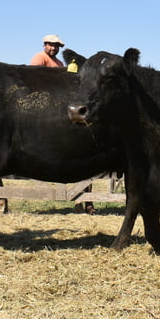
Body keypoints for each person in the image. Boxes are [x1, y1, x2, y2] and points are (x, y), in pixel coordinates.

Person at [28, 33, 95, 214]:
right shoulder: (39, 58)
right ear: (45, 45)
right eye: (51, 45)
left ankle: (85, 201)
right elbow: (34, 82)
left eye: (57, 46)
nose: (54, 48)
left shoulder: (59, 63)